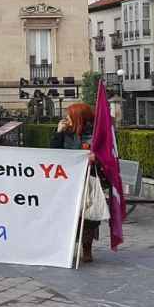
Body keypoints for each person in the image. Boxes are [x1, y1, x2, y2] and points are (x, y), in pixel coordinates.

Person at [50, 103, 103, 263]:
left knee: (88, 217)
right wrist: (58, 132)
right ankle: (66, 246)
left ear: (79, 118)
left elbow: (108, 156)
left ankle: (87, 247)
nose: (66, 119)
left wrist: (96, 158)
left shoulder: (96, 134)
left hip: (89, 179)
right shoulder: (66, 132)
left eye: (69, 116)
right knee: (67, 215)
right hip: (67, 181)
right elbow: (52, 153)